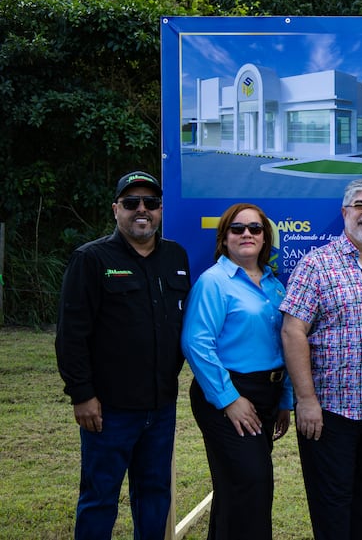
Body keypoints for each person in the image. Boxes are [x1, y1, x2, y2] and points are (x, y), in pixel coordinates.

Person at [55, 171, 191, 539]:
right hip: (109, 410)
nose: (142, 209)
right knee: (100, 498)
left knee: (154, 496)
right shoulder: (91, 259)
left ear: (160, 209)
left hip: (160, 407)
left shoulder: (176, 256)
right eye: (132, 203)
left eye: (151, 203)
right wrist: (82, 395)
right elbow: (71, 335)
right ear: (116, 209)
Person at [280, 179, 362, 540]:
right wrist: (305, 400)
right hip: (330, 414)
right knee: (332, 513)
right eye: (361, 205)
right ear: (344, 212)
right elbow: (292, 331)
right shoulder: (317, 264)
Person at [181, 203, 293, 540]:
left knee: (236, 489)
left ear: (265, 238)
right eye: (237, 228)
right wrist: (229, 399)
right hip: (228, 395)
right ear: (224, 237)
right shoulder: (214, 282)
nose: (247, 234)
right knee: (252, 484)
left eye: (255, 228)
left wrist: (285, 399)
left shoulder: (275, 285)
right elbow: (196, 343)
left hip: (268, 395)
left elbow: (284, 345)